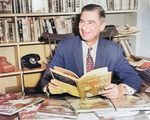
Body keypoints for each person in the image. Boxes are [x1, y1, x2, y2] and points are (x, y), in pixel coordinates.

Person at [41, 4, 142, 98]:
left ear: (102, 26)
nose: (84, 27)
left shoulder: (113, 49)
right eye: (82, 21)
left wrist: (122, 89)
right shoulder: (64, 46)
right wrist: (49, 88)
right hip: (72, 100)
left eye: (91, 22)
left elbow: (133, 77)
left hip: (102, 102)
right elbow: (47, 76)